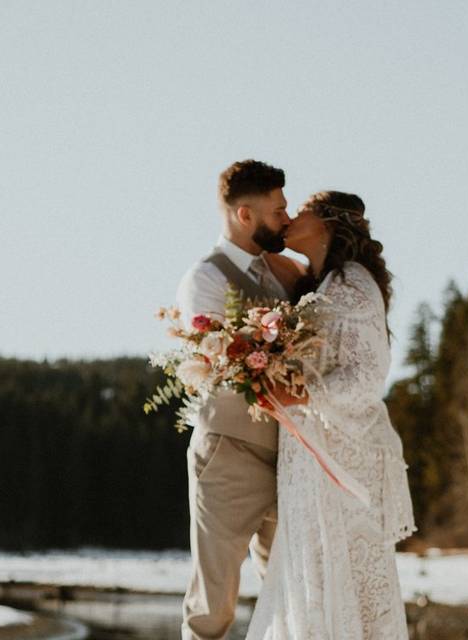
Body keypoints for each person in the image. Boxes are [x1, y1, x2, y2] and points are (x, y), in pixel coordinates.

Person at [245, 191, 416, 640]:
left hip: (340, 456)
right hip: (306, 456)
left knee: (341, 575)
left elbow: (367, 377)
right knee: (311, 573)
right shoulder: (315, 283)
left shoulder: (353, 283)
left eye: (300, 210)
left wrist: (300, 392)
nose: (291, 217)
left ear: (327, 223)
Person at [176, 159, 302, 640]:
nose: (286, 218)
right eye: (278, 209)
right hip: (230, 451)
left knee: (287, 590)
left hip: (289, 456)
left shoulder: (284, 273)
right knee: (214, 601)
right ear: (244, 215)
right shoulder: (206, 279)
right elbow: (230, 362)